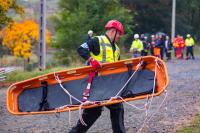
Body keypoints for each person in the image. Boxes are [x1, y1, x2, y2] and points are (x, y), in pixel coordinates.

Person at [69, 20, 126, 133]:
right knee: (96, 111)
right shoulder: (97, 40)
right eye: (118, 33)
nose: (119, 36)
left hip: (109, 86)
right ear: (113, 31)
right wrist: (91, 59)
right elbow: (81, 49)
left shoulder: (117, 49)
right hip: (96, 84)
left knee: (115, 108)